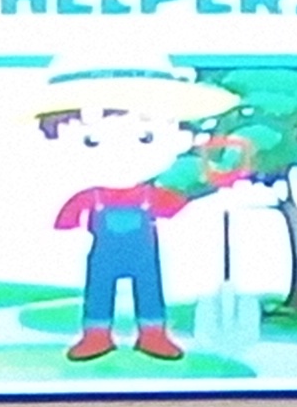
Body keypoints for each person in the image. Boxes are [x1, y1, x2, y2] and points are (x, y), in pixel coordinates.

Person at [33, 62, 237, 362]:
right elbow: (64, 226)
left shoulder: (151, 195)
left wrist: (219, 189)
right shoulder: (90, 198)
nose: (120, 153)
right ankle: (96, 336)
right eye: (92, 140)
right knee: (98, 292)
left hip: (144, 257)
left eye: (146, 137)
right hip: (102, 257)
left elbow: (179, 208)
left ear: (179, 137)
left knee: (150, 290)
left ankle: (153, 335)